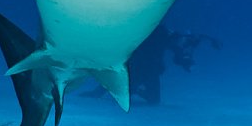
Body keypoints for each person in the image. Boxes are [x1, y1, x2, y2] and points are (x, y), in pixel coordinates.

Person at [83, 21, 222, 105]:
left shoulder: (163, 33)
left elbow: (176, 50)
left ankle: (125, 89)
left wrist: (185, 59)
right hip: (136, 68)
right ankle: (110, 89)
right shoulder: (146, 32)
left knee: (154, 100)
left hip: (151, 70)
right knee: (127, 87)